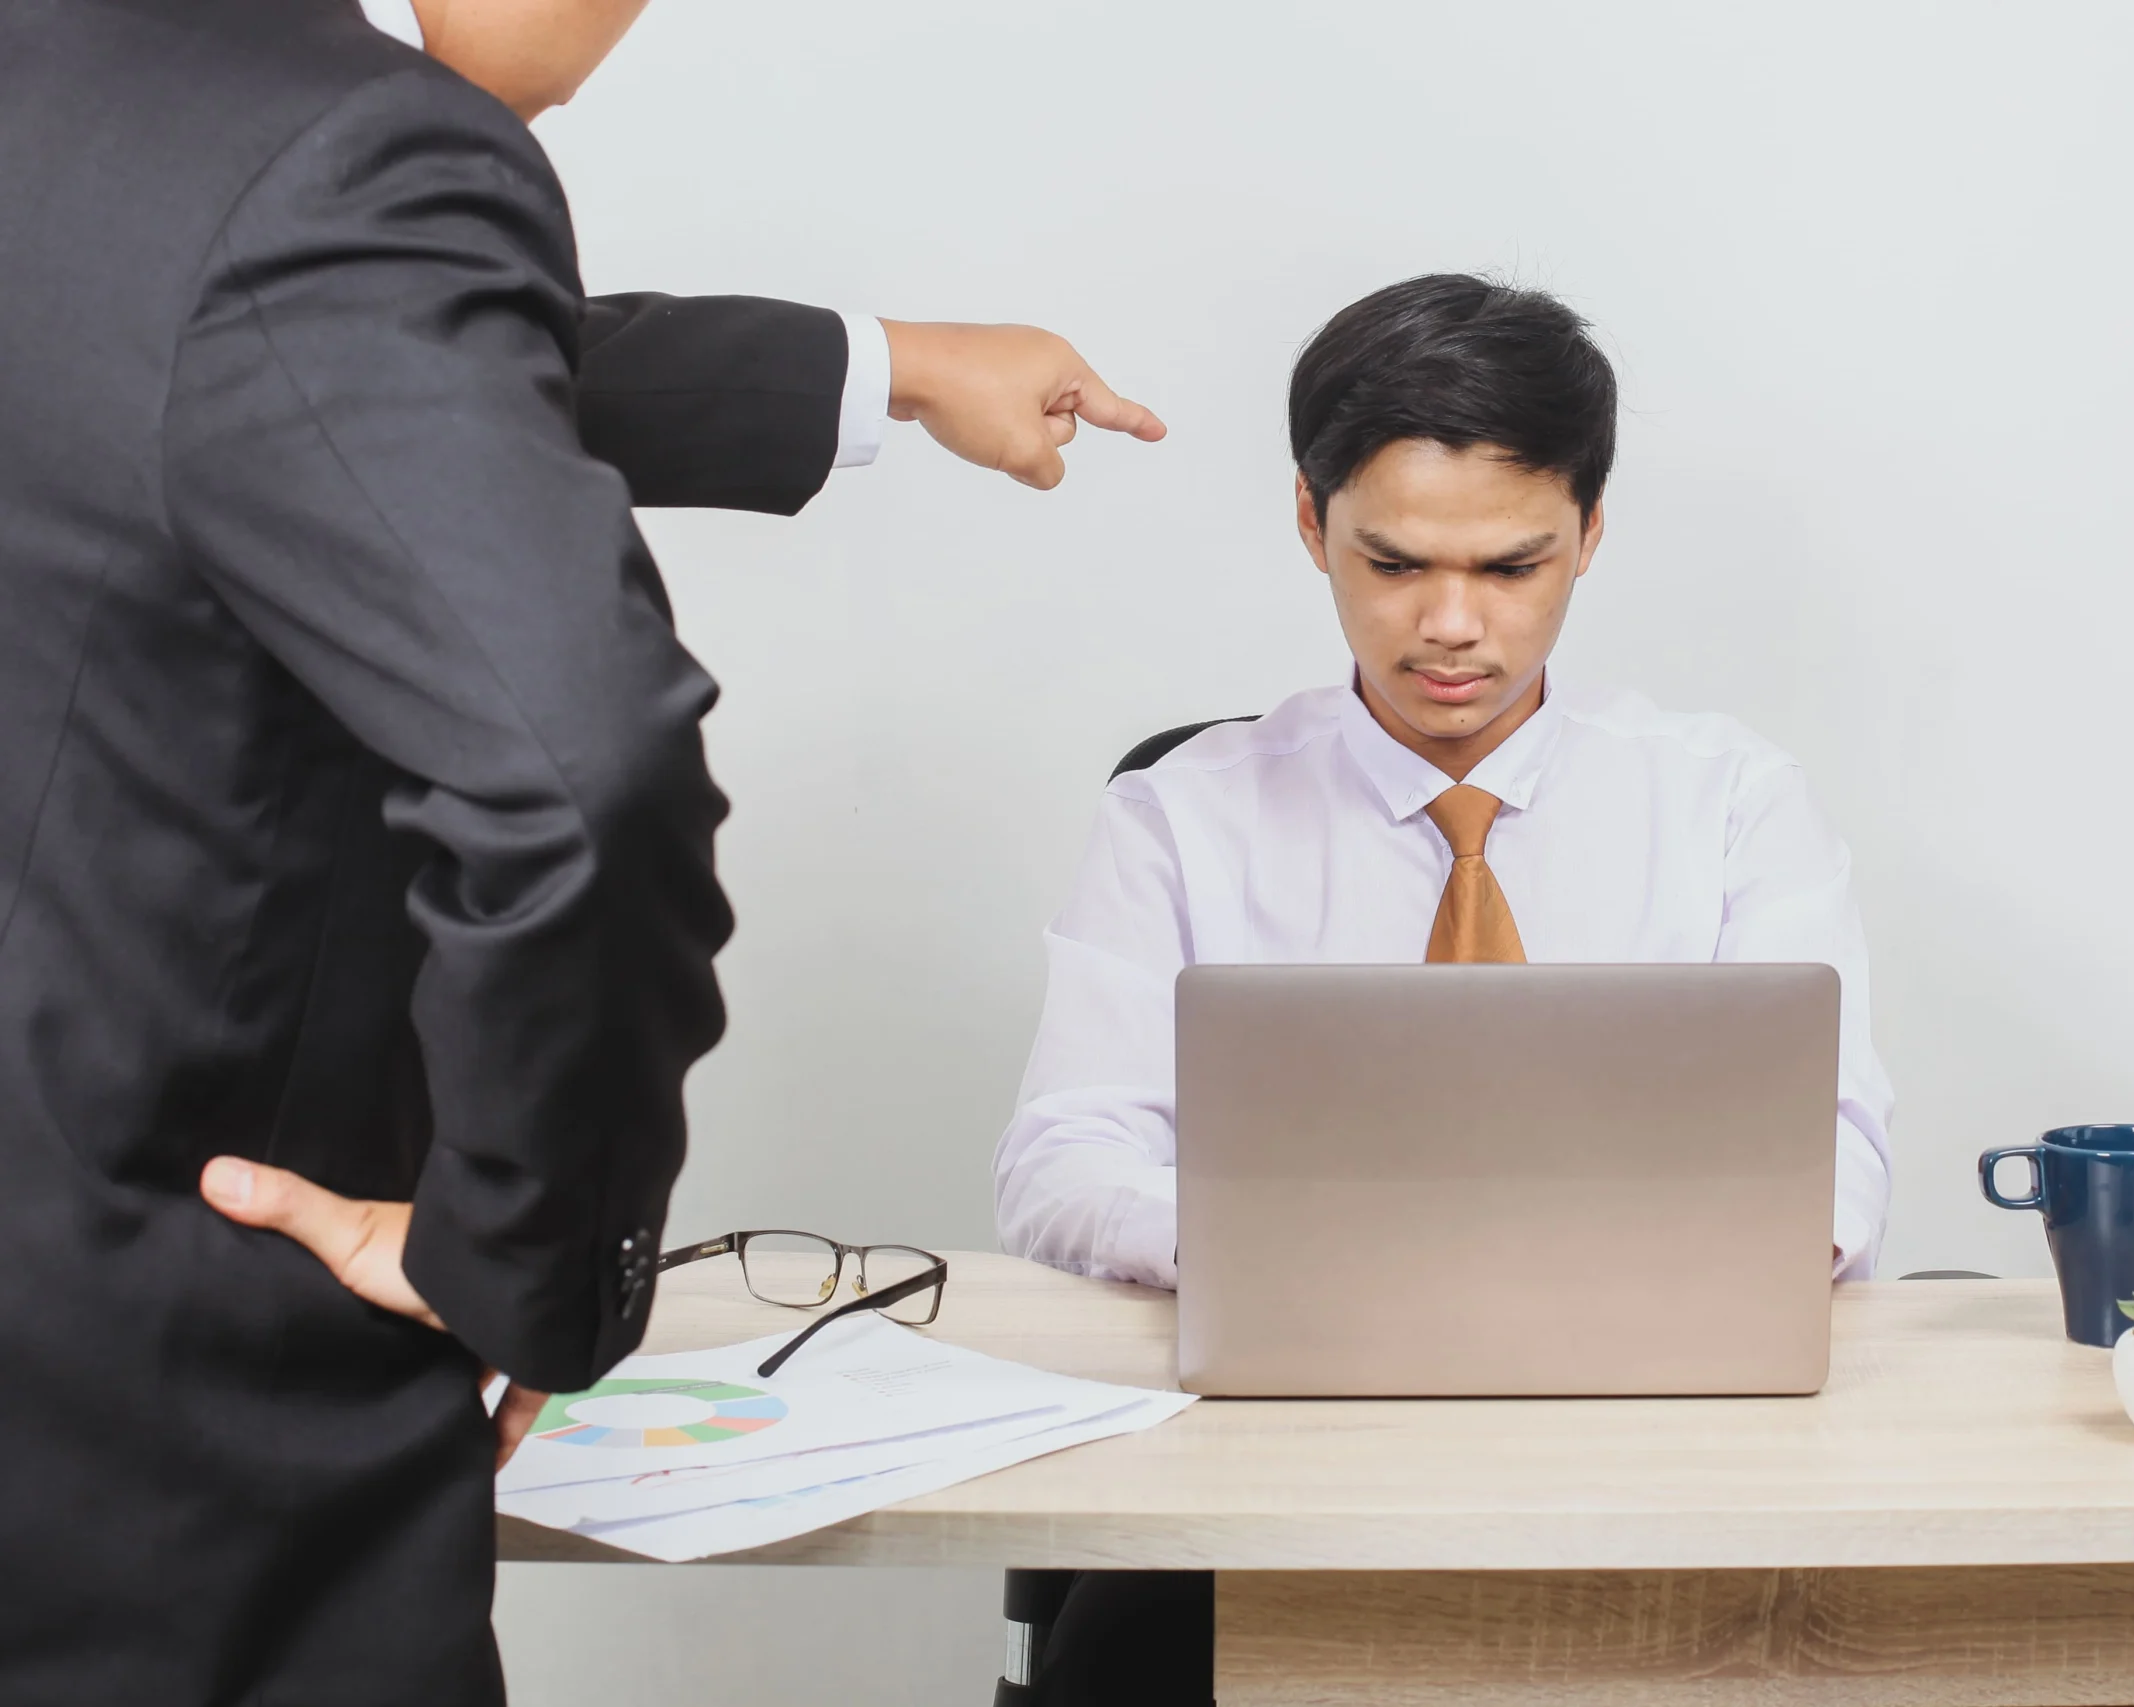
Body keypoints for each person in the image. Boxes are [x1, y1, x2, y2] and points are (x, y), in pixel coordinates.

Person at [0, 1, 1160, 1702]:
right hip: (156, 1403)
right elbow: (580, 779)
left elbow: (229, 352)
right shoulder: (345, 153)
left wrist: (879, 360)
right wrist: (523, 1258)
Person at [991, 272, 1893, 1707]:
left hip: (1659, 1448)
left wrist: (1557, 1267)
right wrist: (1310, 1251)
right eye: (1395, 563)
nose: (1451, 627)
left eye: (1513, 566)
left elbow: (1831, 1165)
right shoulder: (1183, 814)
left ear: (1590, 535)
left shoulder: (1727, 801)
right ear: (1311, 524)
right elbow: (1061, 1159)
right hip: (1275, 1459)